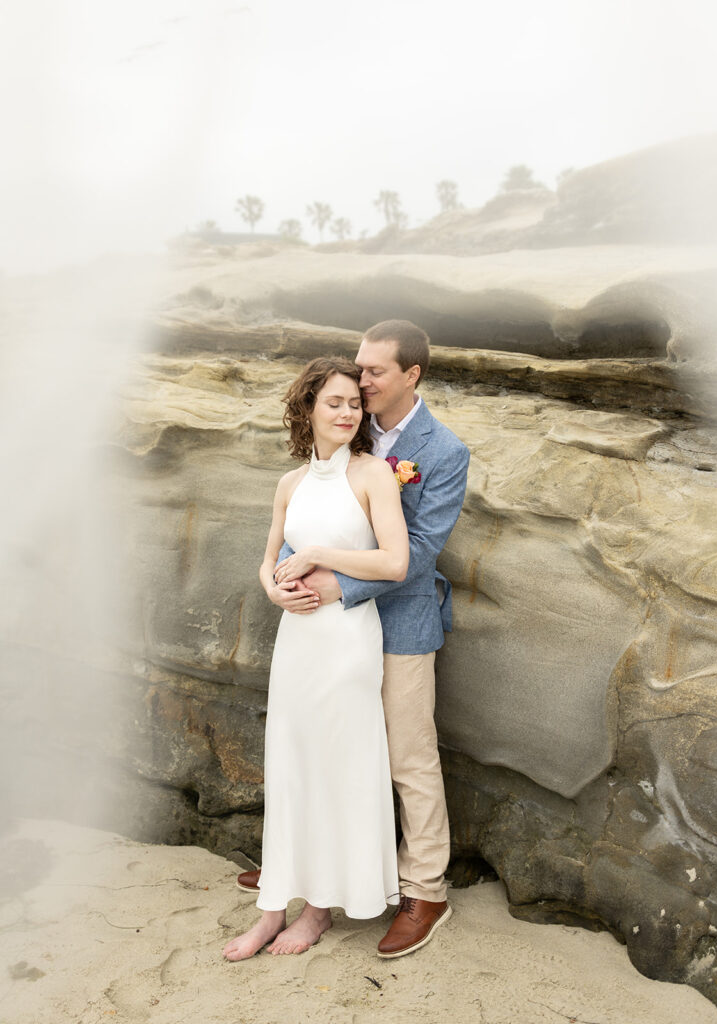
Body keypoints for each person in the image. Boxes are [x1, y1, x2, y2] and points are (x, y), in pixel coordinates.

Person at [235, 320, 471, 959]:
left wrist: (337, 586)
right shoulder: (346, 439)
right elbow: (297, 524)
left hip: (400, 626)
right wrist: (281, 582)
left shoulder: (442, 451)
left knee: (406, 758)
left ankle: (424, 891)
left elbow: (416, 551)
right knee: (320, 747)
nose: (361, 381)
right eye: (356, 370)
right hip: (327, 630)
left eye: (373, 372)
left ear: (410, 375)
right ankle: (312, 868)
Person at [223, 356, 409, 961]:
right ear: (308, 409)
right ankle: (271, 907)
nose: (348, 412)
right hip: (297, 640)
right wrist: (272, 587)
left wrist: (320, 554)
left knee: (334, 763)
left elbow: (394, 563)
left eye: (355, 403)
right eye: (334, 402)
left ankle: (317, 911)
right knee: (291, 761)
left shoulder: (373, 475)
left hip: (348, 637)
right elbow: (269, 556)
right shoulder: (290, 483)